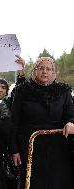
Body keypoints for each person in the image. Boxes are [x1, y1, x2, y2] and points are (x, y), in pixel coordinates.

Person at [10, 57, 74, 189]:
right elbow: (14, 122)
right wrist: (14, 150)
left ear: (54, 72)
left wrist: (70, 123)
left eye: (49, 69)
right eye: (41, 68)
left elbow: (70, 115)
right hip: (29, 147)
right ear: (34, 71)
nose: (45, 71)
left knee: (57, 182)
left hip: (57, 148)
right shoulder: (22, 91)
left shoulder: (63, 91)